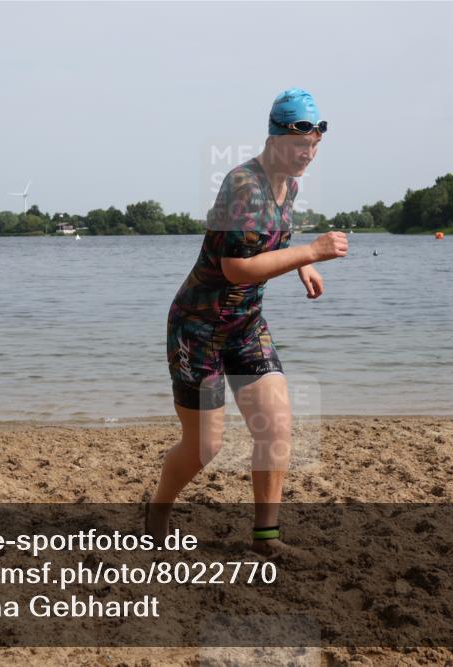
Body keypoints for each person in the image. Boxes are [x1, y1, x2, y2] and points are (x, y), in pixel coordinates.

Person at [146, 88, 348, 557]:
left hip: (244, 324)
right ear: (275, 136)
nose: (308, 155)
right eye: (301, 145)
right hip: (197, 328)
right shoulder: (243, 185)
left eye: (315, 145)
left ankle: (266, 538)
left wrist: (301, 264)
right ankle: (157, 512)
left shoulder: (287, 186)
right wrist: (313, 252)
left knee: (276, 425)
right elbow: (236, 267)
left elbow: (272, 242)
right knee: (205, 447)